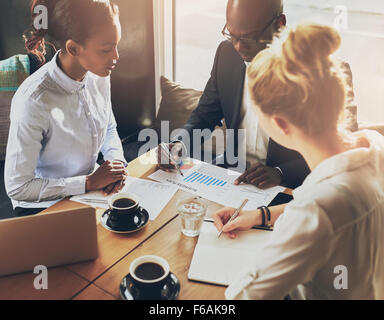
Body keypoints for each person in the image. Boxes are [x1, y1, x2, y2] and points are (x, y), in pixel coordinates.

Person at [213, 23, 384, 300]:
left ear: (280, 124)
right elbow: (329, 218)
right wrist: (260, 215)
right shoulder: (374, 147)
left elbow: (245, 297)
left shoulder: (316, 211)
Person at [157, 0, 356, 190]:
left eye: (249, 38)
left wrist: (280, 173)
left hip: (289, 185)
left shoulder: (325, 74)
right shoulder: (226, 54)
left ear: (280, 24)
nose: (238, 47)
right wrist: (180, 144)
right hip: (229, 173)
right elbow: (205, 114)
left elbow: (341, 145)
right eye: (231, 35)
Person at [5, 0, 127, 217]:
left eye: (117, 45)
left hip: (90, 193)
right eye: (106, 49)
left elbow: (109, 127)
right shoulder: (34, 101)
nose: (116, 56)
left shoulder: (99, 74)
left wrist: (116, 164)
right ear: (73, 48)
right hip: (42, 206)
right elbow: (18, 187)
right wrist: (88, 182)